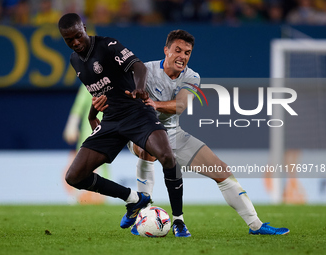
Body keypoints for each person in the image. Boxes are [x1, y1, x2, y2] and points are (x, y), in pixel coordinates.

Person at [93, 29, 290, 235]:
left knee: (222, 171)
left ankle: (256, 225)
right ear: (166, 50)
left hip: (172, 134)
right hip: (140, 131)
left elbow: (180, 106)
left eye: (187, 52)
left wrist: (154, 104)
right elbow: (113, 88)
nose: (182, 56)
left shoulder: (192, 76)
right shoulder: (145, 70)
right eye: (178, 50)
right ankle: (142, 212)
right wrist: (97, 108)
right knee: (148, 150)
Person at [58, 13, 189, 236]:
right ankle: (134, 199)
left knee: (167, 157)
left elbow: (139, 67)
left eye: (78, 36)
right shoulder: (74, 60)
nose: (76, 43)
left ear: (85, 29)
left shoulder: (108, 45)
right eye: (69, 40)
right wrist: (92, 115)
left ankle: (178, 220)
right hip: (111, 120)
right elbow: (97, 91)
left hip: (137, 112)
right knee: (74, 177)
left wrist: (139, 88)